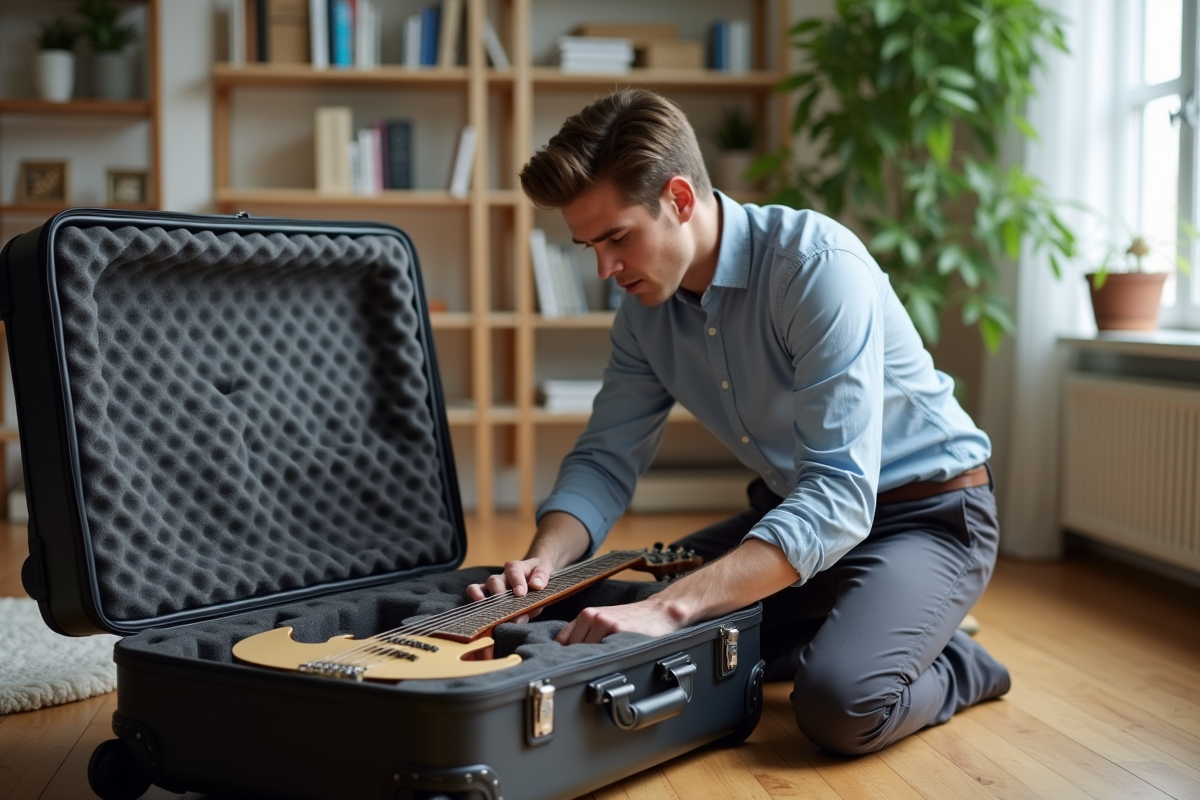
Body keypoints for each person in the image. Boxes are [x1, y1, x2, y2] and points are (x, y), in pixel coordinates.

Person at [466, 88, 1010, 756]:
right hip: (796, 520)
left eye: (616, 238)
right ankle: (866, 623)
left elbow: (840, 496)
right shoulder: (644, 313)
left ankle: (956, 662)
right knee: (602, 613)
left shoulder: (816, 270)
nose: (606, 269)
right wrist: (543, 562)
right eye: (588, 247)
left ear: (680, 200)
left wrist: (670, 610)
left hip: (923, 517)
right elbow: (605, 459)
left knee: (839, 703)